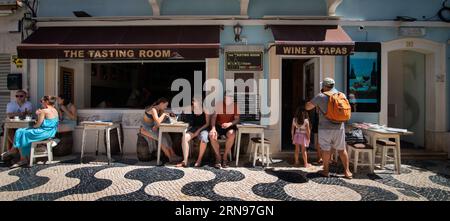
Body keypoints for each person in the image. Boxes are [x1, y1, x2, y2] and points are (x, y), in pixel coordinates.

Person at [306, 77, 352, 179]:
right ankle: (347, 171)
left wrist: (307, 103)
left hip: (325, 128)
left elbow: (308, 107)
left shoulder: (321, 96)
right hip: (339, 127)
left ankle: (326, 171)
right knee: (341, 149)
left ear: (324, 86)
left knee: (326, 150)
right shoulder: (341, 95)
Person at [7, 96, 59, 168]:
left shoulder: (44, 111)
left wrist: (38, 115)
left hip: (43, 132)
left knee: (20, 131)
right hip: (50, 132)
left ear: (46, 102)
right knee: (21, 131)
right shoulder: (55, 110)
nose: (41, 103)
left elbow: (37, 125)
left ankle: (19, 155)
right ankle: (17, 151)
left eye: (42, 101)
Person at [139, 97, 181, 163]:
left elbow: (159, 122)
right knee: (162, 138)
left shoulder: (160, 110)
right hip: (145, 129)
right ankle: (170, 158)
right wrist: (164, 115)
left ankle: (173, 155)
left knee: (166, 135)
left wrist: (168, 115)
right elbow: (158, 122)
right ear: (161, 103)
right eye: (166, 105)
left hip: (153, 128)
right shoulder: (153, 109)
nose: (166, 107)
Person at [175, 97, 211, 167]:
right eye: (193, 101)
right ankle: (185, 161)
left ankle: (199, 160)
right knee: (184, 138)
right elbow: (182, 114)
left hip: (203, 128)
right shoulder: (191, 108)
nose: (193, 103)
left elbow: (207, 123)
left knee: (204, 139)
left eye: (195, 101)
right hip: (194, 128)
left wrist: (198, 131)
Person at [209, 90, 240, 168]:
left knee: (232, 134)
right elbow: (214, 117)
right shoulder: (219, 105)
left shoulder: (235, 106)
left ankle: (225, 157)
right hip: (219, 126)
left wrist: (229, 124)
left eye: (231, 98)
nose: (229, 99)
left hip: (229, 126)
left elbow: (237, 119)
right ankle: (218, 157)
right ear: (224, 97)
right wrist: (213, 128)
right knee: (212, 135)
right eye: (227, 97)